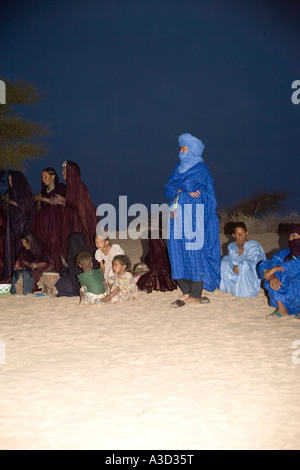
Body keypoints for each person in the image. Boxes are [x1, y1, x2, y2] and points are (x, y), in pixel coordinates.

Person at [165, 132, 221, 307]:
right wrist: (182, 187)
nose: (181, 151)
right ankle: (187, 292)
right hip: (176, 216)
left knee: (194, 252)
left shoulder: (201, 169)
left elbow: (188, 184)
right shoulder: (178, 168)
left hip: (194, 215)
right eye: (180, 148)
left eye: (184, 148)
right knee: (176, 251)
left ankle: (196, 294)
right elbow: (167, 188)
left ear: (192, 150)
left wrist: (179, 186)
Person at [53, 161, 98, 253]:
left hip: (80, 223)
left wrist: (65, 200)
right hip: (71, 222)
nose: (62, 173)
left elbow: (81, 205)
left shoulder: (80, 187)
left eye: (64, 171)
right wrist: (63, 202)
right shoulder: (69, 187)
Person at [258, 223, 300, 319]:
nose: (290, 239)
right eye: (289, 236)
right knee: (264, 265)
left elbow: (297, 264)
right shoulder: (285, 253)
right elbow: (268, 265)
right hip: (286, 300)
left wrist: (276, 269)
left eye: (293, 236)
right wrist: (272, 275)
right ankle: (282, 309)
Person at [219, 221, 266, 297]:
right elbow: (231, 260)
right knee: (224, 261)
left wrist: (240, 266)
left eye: (242, 233)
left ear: (246, 233)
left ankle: (246, 291)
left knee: (244, 265)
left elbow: (254, 260)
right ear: (233, 235)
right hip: (236, 270)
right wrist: (234, 267)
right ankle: (227, 288)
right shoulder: (231, 246)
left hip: (251, 270)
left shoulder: (253, 245)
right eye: (237, 233)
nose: (240, 235)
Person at [32, 168, 66, 270]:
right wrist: (38, 201)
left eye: (46, 176)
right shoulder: (43, 191)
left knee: (54, 243)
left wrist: (42, 199)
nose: (43, 179)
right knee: (44, 244)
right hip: (44, 224)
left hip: (55, 222)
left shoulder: (60, 188)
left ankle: (56, 266)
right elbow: (39, 208)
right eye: (42, 177)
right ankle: (45, 265)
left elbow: (56, 201)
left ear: (53, 176)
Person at [2, 171, 34, 279]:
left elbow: (28, 208)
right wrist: (6, 204)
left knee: (22, 249)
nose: (10, 183)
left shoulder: (25, 191)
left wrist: (10, 202)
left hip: (23, 226)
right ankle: (11, 275)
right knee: (10, 249)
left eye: (12, 180)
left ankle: (23, 276)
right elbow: (4, 209)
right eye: (9, 180)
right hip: (11, 226)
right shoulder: (9, 192)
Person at [136, 217, 177, 293]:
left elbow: (144, 255)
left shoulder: (147, 235)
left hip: (157, 264)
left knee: (144, 271)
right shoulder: (167, 234)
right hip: (166, 265)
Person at [56, 232, 97, 297]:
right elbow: (70, 270)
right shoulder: (72, 255)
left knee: (64, 285)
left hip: (85, 284)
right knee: (61, 283)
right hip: (78, 282)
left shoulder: (88, 255)